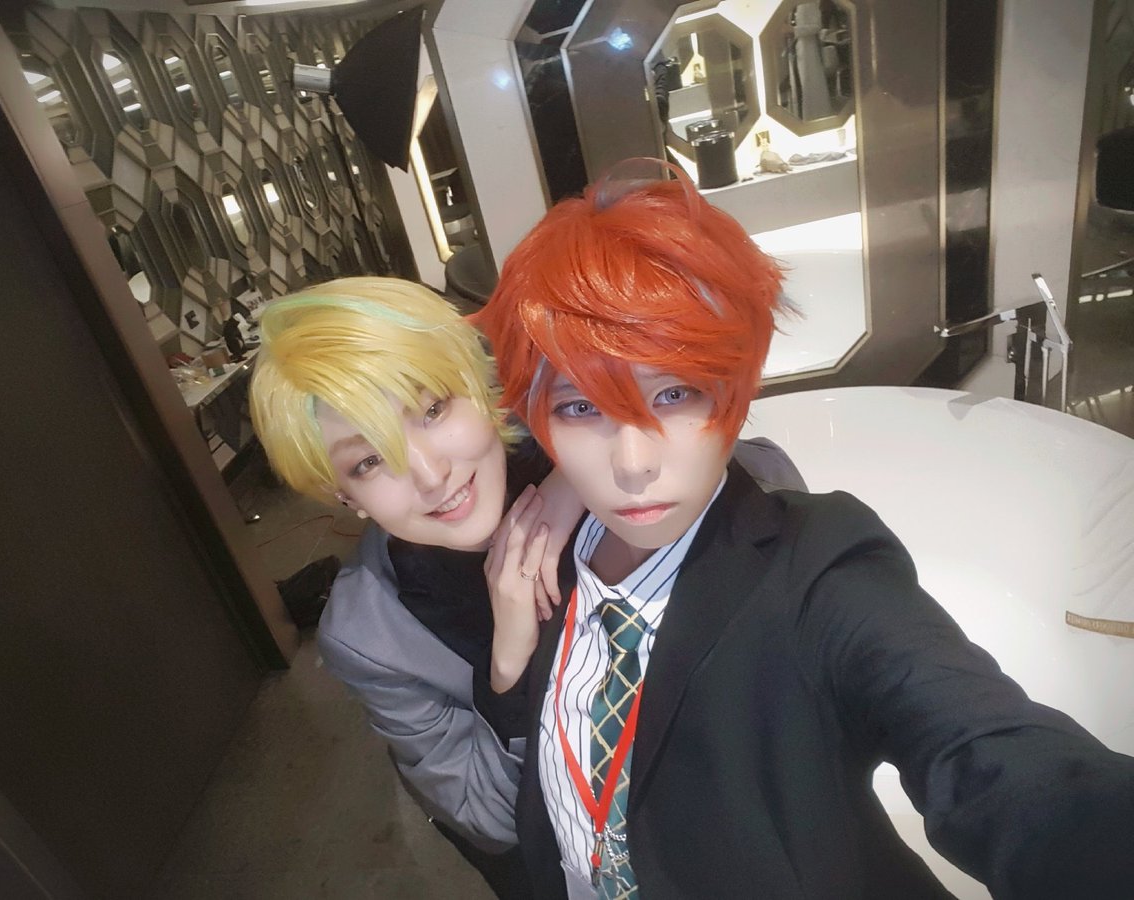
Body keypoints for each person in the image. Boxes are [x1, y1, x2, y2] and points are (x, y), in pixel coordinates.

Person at [472, 162, 1134, 899]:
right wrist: (506, 672)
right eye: (581, 407)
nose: (633, 465)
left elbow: (989, 754)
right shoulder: (540, 553)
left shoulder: (819, 569)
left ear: (735, 384)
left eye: (675, 393)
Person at [248, 276, 804, 898]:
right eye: (369, 461)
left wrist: (585, 475)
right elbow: (487, 816)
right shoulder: (373, 634)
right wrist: (510, 670)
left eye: (432, 410)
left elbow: (775, 487)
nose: (431, 474)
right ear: (343, 495)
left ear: (479, 388)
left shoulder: (578, 428)